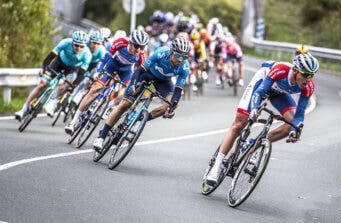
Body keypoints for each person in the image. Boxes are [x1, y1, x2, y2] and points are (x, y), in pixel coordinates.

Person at [206, 53, 320, 184]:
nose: (308, 79)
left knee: (291, 125)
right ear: (295, 71)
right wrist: (254, 109)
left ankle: (253, 144)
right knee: (239, 124)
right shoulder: (281, 69)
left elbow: (299, 115)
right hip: (261, 83)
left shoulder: (309, 86)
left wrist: (295, 131)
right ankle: (216, 166)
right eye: (305, 75)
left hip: (278, 93)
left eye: (311, 75)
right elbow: (259, 92)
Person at [92, 37, 191, 150]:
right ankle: (101, 136)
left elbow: (178, 90)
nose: (180, 60)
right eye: (178, 56)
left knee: (173, 104)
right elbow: (140, 70)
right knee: (126, 103)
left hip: (164, 82)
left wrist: (171, 108)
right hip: (146, 75)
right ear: (172, 52)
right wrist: (133, 84)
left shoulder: (185, 66)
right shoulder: (161, 53)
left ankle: (140, 119)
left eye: (184, 57)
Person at [64, 30, 149, 135]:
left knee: (129, 91)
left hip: (126, 72)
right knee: (95, 89)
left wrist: (135, 85)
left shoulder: (142, 56)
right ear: (130, 43)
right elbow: (106, 58)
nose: (139, 49)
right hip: (111, 65)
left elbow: (140, 73)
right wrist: (98, 72)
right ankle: (73, 122)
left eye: (143, 47)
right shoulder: (121, 42)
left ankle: (109, 106)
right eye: (137, 46)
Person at [14, 30, 92, 121]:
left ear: (85, 45)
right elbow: (51, 56)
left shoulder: (87, 55)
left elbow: (81, 74)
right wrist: (44, 68)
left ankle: (53, 102)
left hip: (72, 69)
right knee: (42, 84)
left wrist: (73, 86)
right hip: (59, 63)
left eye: (81, 46)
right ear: (72, 42)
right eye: (76, 45)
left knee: (68, 84)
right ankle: (24, 109)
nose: (78, 48)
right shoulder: (65, 42)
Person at [45, 30, 107, 115]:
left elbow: (102, 65)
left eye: (98, 43)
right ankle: (64, 96)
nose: (95, 45)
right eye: (93, 42)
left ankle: (76, 98)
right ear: (89, 41)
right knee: (77, 78)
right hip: (80, 63)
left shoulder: (102, 51)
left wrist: (94, 76)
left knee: (87, 81)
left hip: (93, 65)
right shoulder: (84, 45)